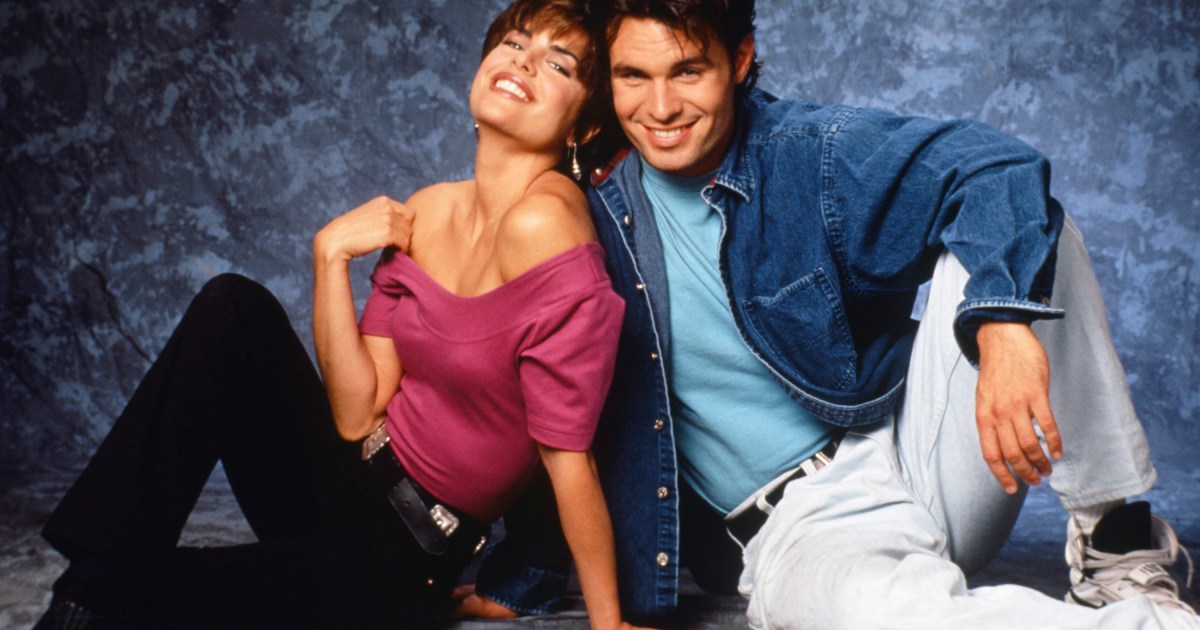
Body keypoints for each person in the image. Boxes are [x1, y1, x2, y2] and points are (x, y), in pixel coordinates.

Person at [460, 0, 1200, 628]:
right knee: (891, 614)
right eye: (633, 76)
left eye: (687, 72)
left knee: (1031, 231)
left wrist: (1001, 324)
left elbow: (993, 166)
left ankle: (1115, 543)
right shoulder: (584, 218)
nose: (660, 108)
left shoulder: (803, 152)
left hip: (922, 445)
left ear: (739, 60)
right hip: (802, 525)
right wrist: (522, 574)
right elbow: (545, 400)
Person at [33, 1, 645, 628]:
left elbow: (569, 456)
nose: (524, 61)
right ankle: (95, 579)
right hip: (343, 485)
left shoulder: (546, 223)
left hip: (398, 559)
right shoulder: (431, 208)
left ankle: (92, 588)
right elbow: (357, 415)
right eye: (515, 42)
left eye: (558, 64)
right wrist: (329, 256)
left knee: (141, 596)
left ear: (583, 124)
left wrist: (610, 623)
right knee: (233, 306)